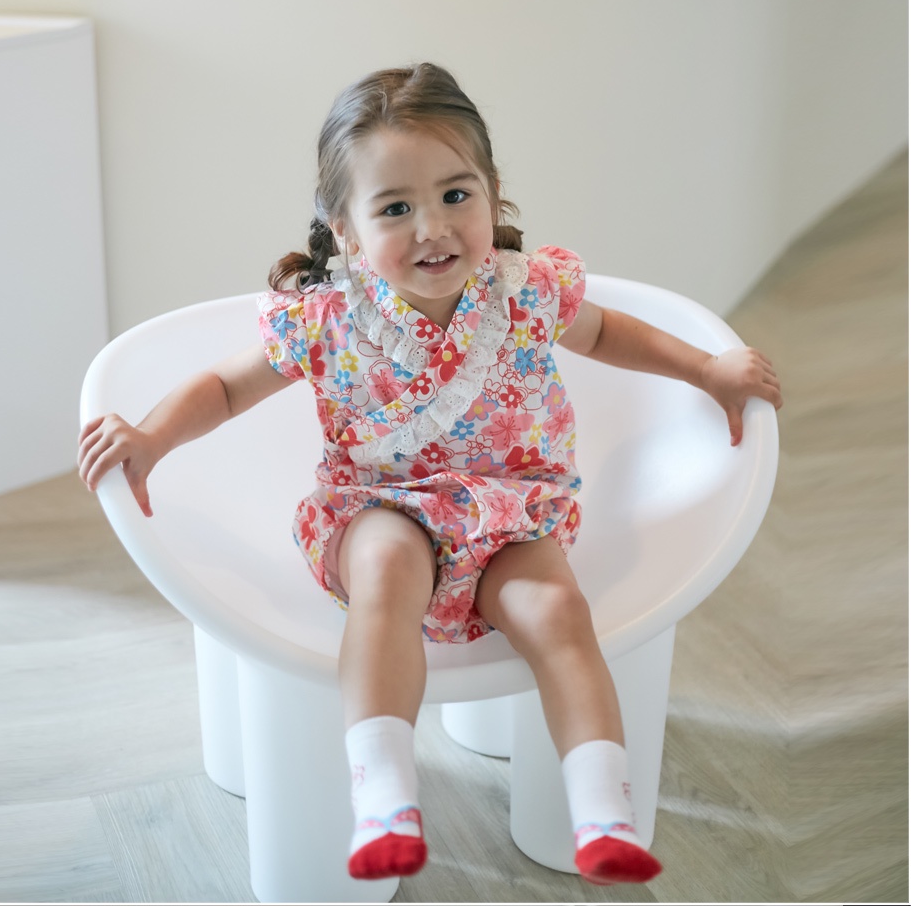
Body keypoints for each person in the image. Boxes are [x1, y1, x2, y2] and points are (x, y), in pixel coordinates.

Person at [78, 62, 782, 887]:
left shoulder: (525, 291)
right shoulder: (327, 316)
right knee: (386, 567)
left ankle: (601, 807)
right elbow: (226, 386)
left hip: (511, 508)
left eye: (455, 195)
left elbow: (609, 335)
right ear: (345, 230)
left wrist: (707, 369)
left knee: (557, 610)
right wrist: (151, 436)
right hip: (379, 503)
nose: (433, 228)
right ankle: (384, 793)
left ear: (493, 193)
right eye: (395, 209)